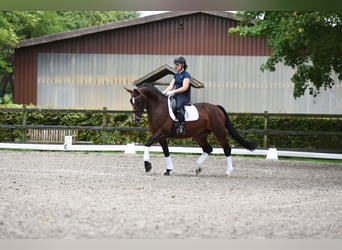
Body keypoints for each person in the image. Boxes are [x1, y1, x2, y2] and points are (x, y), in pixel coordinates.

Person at [162, 56, 191, 135]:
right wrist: (164, 92)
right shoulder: (176, 75)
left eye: (177, 65)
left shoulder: (186, 75)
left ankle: (182, 125)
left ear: (182, 65)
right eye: (175, 65)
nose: (175, 66)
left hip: (184, 96)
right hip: (176, 95)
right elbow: (171, 86)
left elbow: (185, 87)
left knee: (178, 106)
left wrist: (173, 91)